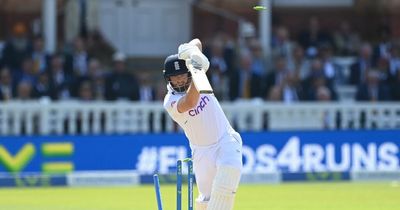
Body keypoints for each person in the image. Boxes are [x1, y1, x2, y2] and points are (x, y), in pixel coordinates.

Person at [163, 39, 243, 210]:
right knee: (205, 202)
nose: (179, 81)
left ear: (188, 73)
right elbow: (191, 102)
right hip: (202, 151)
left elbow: (197, 42)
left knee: (228, 177)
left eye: (182, 75)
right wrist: (197, 70)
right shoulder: (170, 101)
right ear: (168, 78)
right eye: (174, 77)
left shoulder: (196, 71)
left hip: (225, 138)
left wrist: (190, 51)